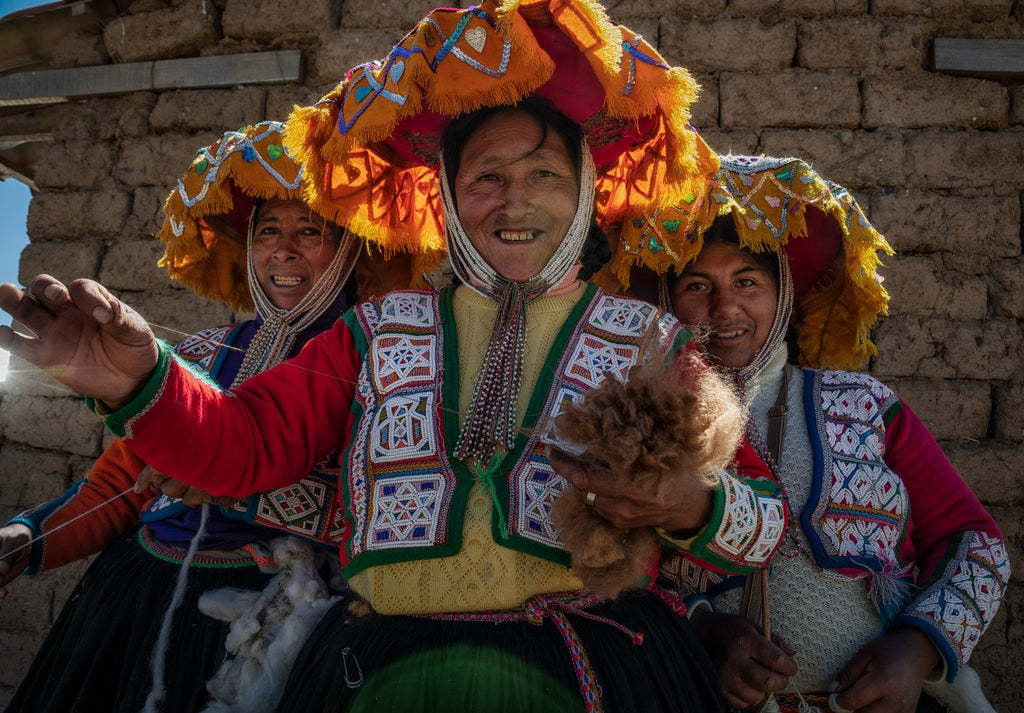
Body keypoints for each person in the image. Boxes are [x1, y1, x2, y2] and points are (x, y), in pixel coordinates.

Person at [0, 3, 788, 711]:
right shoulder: (380, 331)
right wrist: (140, 383)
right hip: (384, 669)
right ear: (446, 196)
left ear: (584, 193)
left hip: (590, 670)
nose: (515, 201)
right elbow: (245, 446)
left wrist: (693, 504)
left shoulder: (650, 342)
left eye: (545, 175)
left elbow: (763, 521)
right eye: (486, 177)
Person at [0, 121, 385, 713]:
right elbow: (119, 485)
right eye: (268, 232)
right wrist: (29, 535)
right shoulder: (199, 357)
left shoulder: (384, 363)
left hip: (270, 619)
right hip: (140, 593)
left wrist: (239, 494)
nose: (284, 249)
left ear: (352, 248)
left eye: (311, 230)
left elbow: (393, 504)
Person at [657, 155, 1009, 713]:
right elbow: (604, 572)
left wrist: (916, 649)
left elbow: (975, 542)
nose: (725, 307)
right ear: (667, 302)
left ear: (783, 294)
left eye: (747, 281)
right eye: (698, 285)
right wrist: (701, 631)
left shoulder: (864, 406)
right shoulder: (645, 423)